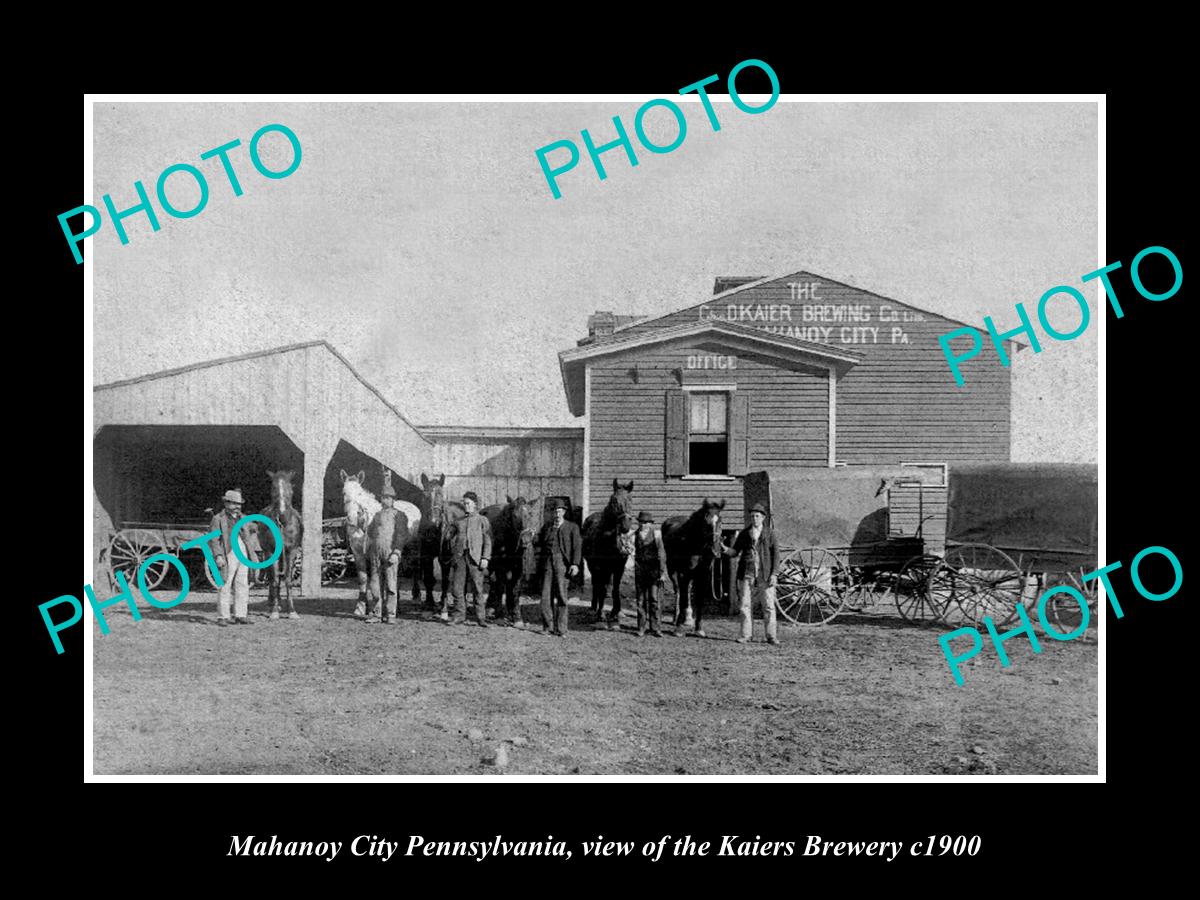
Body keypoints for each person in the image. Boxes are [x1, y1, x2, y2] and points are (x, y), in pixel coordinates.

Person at [731, 502, 780, 645]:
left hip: (765, 575)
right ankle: (746, 635)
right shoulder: (744, 534)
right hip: (747, 574)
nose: (754, 519)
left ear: (763, 518)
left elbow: (776, 555)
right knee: (745, 606)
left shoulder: (770, 533)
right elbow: (735, 552)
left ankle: (771, 636)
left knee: (769, 606)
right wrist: (723, 549)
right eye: (752, 516)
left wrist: (774, 574)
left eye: (757, 516)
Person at [365, 482, 409, 624]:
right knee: (375, 584)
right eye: (383, 498)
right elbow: (371, 532)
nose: (385, 500)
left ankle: (390, 614)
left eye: (388, 498)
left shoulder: (399, 515)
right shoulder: (377, 515)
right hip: (376, 553)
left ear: (393, 500)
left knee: (391, 584)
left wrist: (396, 552)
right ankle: (377, 614)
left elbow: (402, 535)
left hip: (390, 552)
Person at [445, 491, 491, 626]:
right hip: (460, 558)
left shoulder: (482, 520)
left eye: (468, 503)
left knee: (477, 588)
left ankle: (481, 618)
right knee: (457, 588)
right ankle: (459, 616)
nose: (466, 506)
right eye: (464, 504)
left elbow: (488, 541)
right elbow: (449, 536)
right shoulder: (458, 522)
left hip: (475, 559)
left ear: (475, 504)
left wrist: (485, 558)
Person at [538, 498, 582, 636]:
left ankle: (562, 628)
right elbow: (539, 542)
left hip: (562, 564)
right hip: (547, 565)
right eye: (555, 511)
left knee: (562, 597)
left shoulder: (572, 527)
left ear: (564, 512)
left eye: (560, 511)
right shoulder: (547, 527)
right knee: (545, 597)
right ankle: (548, 626)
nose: (557, 514)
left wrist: (575, 564)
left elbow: (577, 547)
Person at [210, 489, 252, 626]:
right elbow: (214, 539)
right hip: (228, 551)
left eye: (239, 504)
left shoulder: (243, 518)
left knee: (242, 583)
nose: (237, 506)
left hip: (242, 551)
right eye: (234, 503)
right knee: (225, 583)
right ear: (226, 503)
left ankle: (241, 614)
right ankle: (223, 616)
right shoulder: (218, 519)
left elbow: (249, 534)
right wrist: (218, 556)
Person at [632, 510, 667, 638]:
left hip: (654, 571)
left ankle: (656, 628)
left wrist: (661, 572)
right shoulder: (635, 535)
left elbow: (662, 554)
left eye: (646, 522)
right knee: (640, 600)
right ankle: (641, 627)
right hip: (640, 571)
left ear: (651, 523)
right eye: (641, 522)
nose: (643, 525)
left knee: (654, 599)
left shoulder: (656, 534)